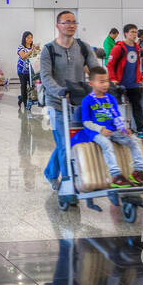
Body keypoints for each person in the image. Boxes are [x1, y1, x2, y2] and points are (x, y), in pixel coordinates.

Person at [39, 10, 102, 191]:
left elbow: (96, 69)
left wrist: (103, 84)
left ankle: (51, 173)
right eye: (66, 22)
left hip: (79, 104)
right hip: (56, 104)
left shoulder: (83, 47)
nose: (71, 25)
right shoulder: (48, 50)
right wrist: (60, 91)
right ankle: (69, 185)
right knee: (64, 144)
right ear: (58, 25)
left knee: (70, 142)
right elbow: (45, 77)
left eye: (74, 22)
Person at [75, 66, 143, 186]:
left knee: (133, 140)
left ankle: (138, 171)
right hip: (95, 132)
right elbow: (86, 122)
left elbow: (116, 117)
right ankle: (116, 176)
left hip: (113, 130)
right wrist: (100, 129)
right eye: (101, 82)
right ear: (91, 83)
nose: (105, 84)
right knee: (107, 144)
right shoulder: (87, 100)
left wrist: (123, 129)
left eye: (107, 81)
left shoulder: (111, 99)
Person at [108, 24, 143, 137]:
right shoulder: (118, 48)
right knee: (118, 108)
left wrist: (141, 78)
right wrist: (113, 79)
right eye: (132, 32)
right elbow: (110, 65)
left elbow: (136, 65)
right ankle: (117, 129)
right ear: (126, 34)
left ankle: (141, 129)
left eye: (136, 32)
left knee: (137, 106)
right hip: (120, 84)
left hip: (133, 84)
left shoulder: (136, 48)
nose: (134, 34)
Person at [17, 32, 39, 111]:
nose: (30, 39)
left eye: (31, 37)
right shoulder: (21, 47)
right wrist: (31, 51)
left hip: (31, 71)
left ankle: (21, 99)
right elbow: (23, 56)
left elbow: (37, 57)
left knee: (32, 87)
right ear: (24, 38)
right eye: (28, 38)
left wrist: (37, 50)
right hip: (22, 70)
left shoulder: (33, 47)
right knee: (23, 86)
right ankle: (26, 104)